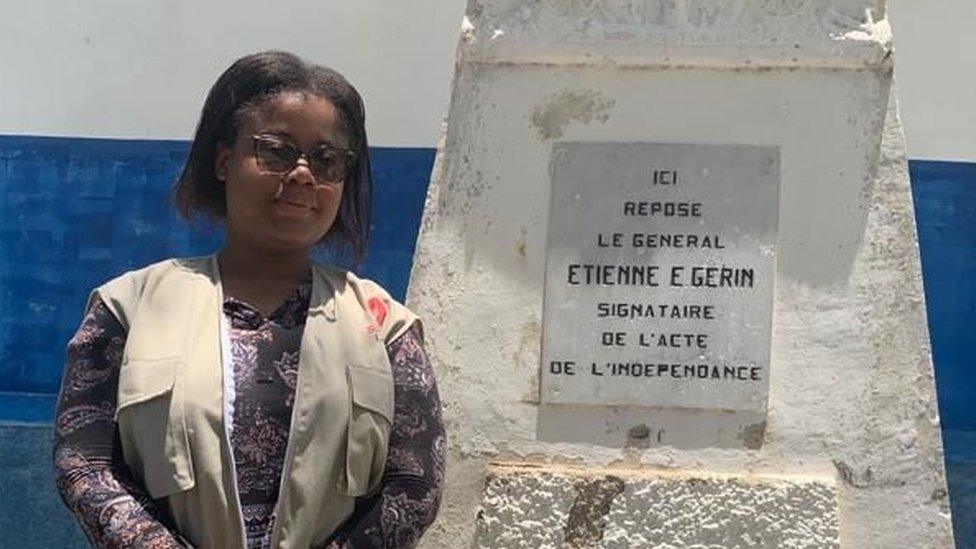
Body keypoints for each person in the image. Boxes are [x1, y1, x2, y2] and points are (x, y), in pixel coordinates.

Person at [53, 51, 445, 548]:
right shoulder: (127, 308)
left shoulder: (385, 327)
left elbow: (415, 486)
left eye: (326, 160)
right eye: (277, 151)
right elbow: (84, 463)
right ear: (223, 160)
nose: (303, 174)